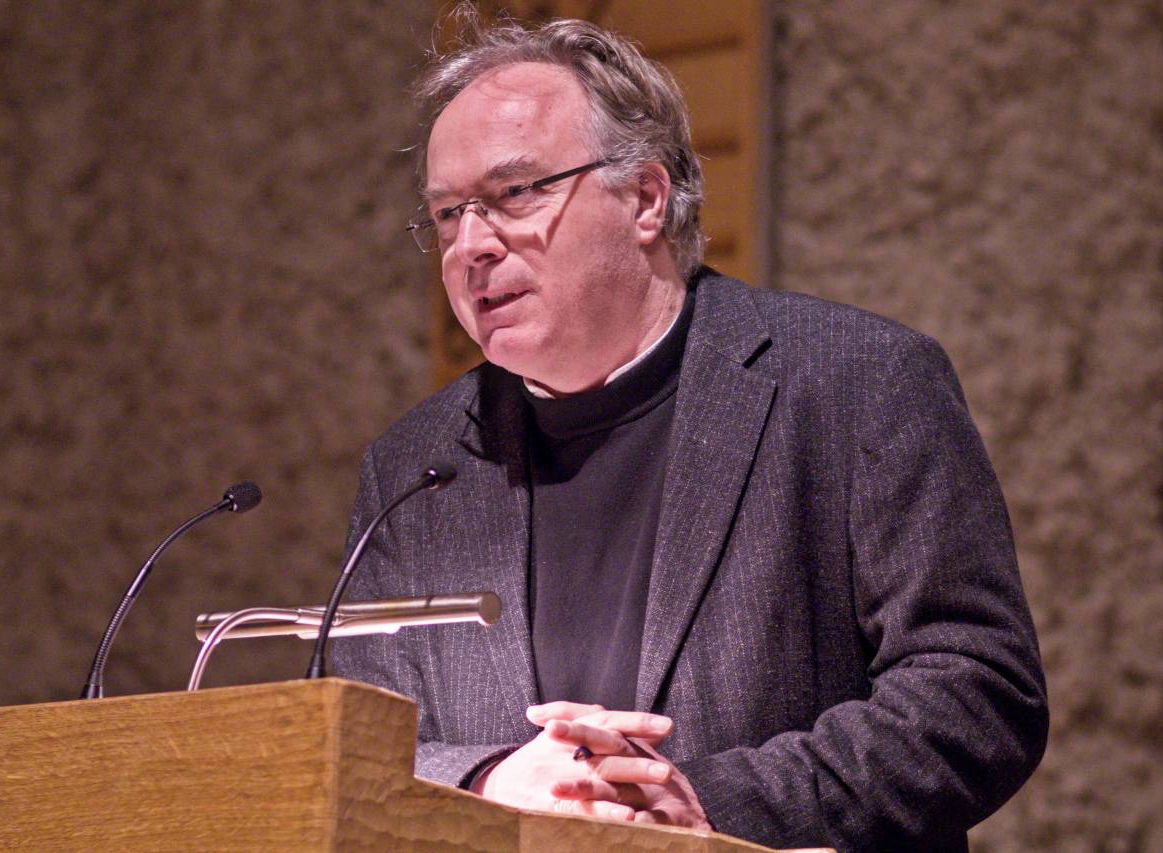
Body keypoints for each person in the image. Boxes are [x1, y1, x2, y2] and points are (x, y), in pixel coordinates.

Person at [332, 11, 1047, 852]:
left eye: (515, 194)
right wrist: (490, 782)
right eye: (448, 214)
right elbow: (355, 743)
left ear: (646, 197)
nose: (472, 247)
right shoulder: (414, 465)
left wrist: (703, 806)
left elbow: (976, 690)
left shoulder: (857, 380)